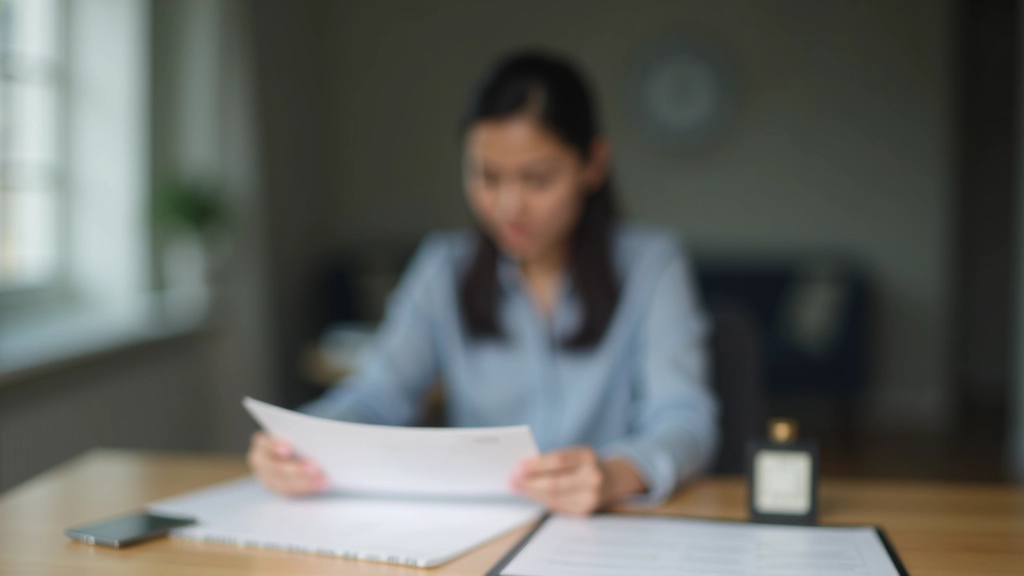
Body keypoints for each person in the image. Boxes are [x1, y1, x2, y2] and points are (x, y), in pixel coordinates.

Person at [247, 51, 718, 515]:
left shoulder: (652, 265)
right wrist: (298, 442)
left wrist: (616, 474)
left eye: (537, 179)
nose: (509, 207)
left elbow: (684, 419)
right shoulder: (442, 267)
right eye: (487, 177)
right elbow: (377, 393)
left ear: (592, 164)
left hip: (603, 529)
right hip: (480, 531)